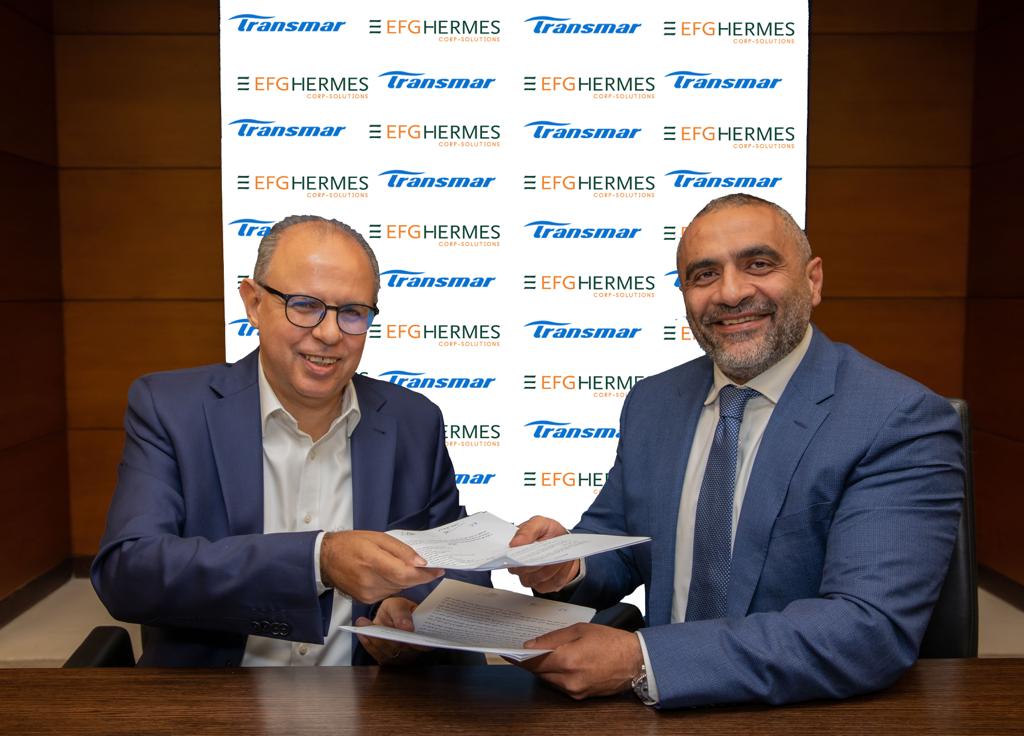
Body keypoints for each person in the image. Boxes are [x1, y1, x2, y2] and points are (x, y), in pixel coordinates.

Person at [507, 194, 964, 707]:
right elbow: (623, 544)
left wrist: (643, 659)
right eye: (704, 275)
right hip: (653, 715)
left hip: (803, 714)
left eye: (759, 264)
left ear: (813, 280)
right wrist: (567, 565)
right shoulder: (653, 402)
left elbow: (866, 629)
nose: (730, 293)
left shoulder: (896, 418)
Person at [92, 215, 488, 666]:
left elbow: (462, 571)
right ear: (253, 302)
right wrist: (317, 561)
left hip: (370, 694)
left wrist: (413, 611)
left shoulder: (413, 421)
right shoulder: (171, 409)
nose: (330, 333)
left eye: (352, 312)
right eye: (304, 305)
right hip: (215, 694)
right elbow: (128, 573)